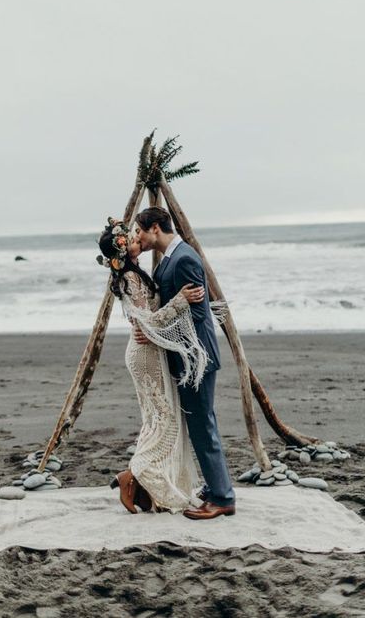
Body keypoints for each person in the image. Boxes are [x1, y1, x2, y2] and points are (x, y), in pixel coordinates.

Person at [97, 217, 208, 514]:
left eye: (136, 233)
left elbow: (146, 320)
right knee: (167, 424)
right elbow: (148, 325)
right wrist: (181, 300)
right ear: (124, 251)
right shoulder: (131, 278)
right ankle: (131, 475)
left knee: (155, 421)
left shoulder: (136, 273)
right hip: (145, 355)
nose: (137, 238)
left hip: (148, 352)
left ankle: (140, 486)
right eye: (131, 238)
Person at [133, 207, 235, 520]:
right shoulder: (168, 260)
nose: (138, 237)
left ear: (154, 228)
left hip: (196, 357)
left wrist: (156, 332)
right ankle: (215, 486)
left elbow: (199, 314)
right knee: (199, 425)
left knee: (203, 427)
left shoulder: (185, 258)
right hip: (184, 357)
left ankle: (222, 498)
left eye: (139, 231)